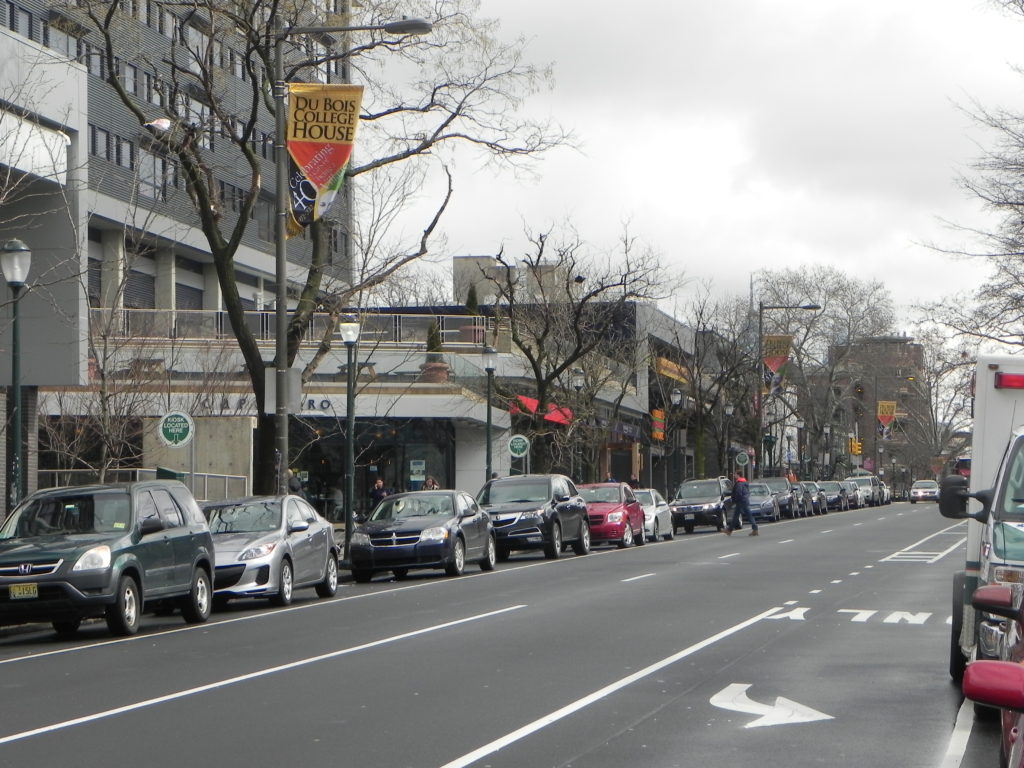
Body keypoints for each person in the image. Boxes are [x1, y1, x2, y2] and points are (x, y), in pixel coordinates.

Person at [726, 472, 757, 536]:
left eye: (735, 474)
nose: (734, 476)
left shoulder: (739, 483)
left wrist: (735, 500)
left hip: (741, 501)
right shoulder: (744, 482)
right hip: (745, 500)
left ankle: (755, 530)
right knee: (738, 516)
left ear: (738, 475)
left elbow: (738, 493)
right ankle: (729, 530)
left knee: (743, 515)